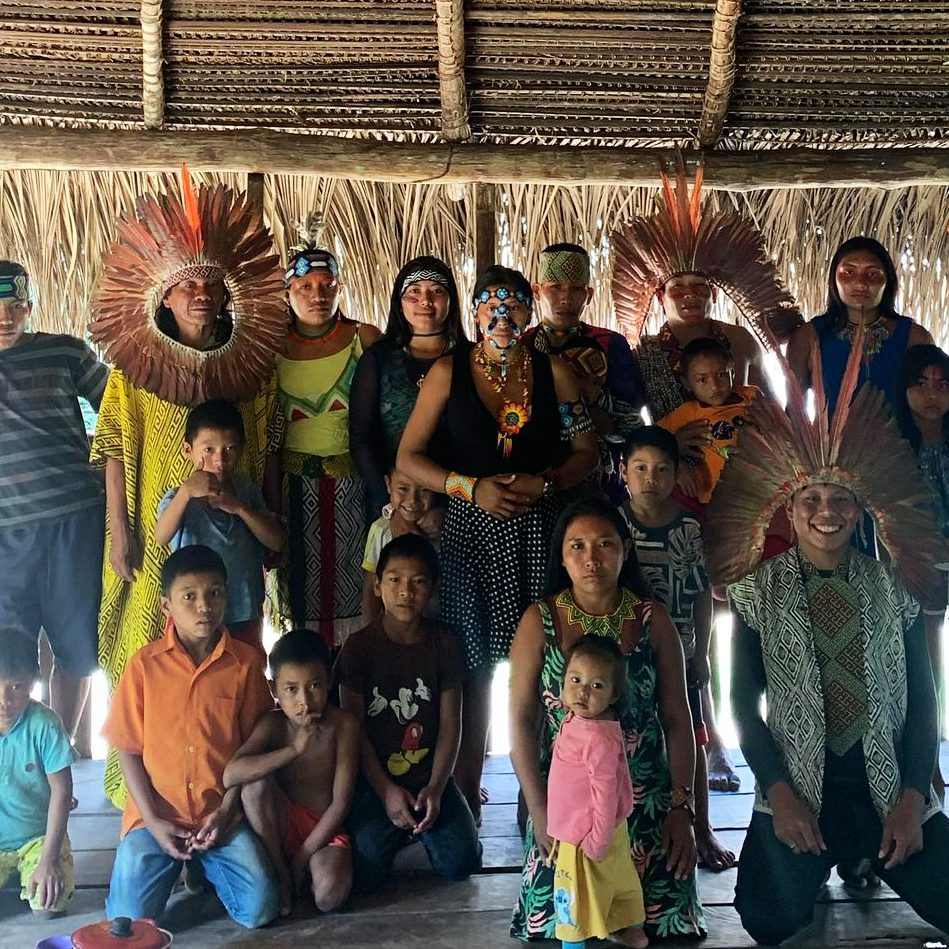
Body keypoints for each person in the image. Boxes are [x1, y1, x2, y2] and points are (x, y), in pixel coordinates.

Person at [705, 346, 949, 944]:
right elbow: (742, 706)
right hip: (801, 790)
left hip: (885, 788)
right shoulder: (757, 591)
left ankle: (865, 855)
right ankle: (833, 859)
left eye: (840, 499)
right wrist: (779, 794)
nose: (826, 511)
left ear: (860, 509)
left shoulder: (894, 585)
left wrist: (912, 797)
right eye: (811, 499)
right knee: (768, 918)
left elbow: (925, 702)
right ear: (789, 510)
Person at [89, 174, 285, 807]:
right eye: (186, 284)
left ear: (226, 294)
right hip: (161, 536)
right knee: (152, 650)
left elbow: (269, 446)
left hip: (234, 547)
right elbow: (113, 445)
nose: (200, 295)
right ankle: (147, 794)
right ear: (164, 296)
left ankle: (229, 789)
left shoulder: (254, 367)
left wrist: (266, 526)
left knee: (233, 660)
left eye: (209, 284)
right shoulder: (134, 370)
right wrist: (121, 533)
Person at [612, 162, 800, 795]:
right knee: (693, 626)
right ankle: (709, 738)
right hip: (685, 496)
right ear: (661, 293)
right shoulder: (646, 353)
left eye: (698, 285)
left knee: (754, 619)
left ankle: (774, 735)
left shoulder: (737, 342)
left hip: (749, 500)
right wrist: (672, 449)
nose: (688, 294)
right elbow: (639, 423)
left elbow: (770, 414)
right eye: (677, 286)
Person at [398, 264, 599, 823]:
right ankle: (465, 792)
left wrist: (548, 481)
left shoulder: (553, 372)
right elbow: (408, 457)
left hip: (538, 528)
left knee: (540, 661)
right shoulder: (448, 371)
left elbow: (588, 450)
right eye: (490, 305)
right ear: (474, 312)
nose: (502, 315)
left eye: (513, 304)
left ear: (529, 312)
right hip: (470, 532)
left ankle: (539, 795)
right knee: (473, 663)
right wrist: (469, 488)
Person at [510, 498, 705, 942]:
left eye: (604, 544)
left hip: (643, 804)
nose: (591, 558)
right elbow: (519, 720)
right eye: (577, 546)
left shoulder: (653, 620)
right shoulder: (539, 621)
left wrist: (682, 809)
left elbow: (678, 719)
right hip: (565, 807)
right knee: (555, 925)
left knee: (665, 925)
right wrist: (539, 810)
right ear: (561, 556)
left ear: (625, 550)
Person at [103, 545, 278, 929]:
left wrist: (228, 810)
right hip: (155, 820)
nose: (204, 607)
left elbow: (252, 751)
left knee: (259, 910)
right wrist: (153, 820)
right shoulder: (144, 666)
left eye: (214, 593)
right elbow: (127, 750)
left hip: (220, 817)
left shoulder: (245, 663)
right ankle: (179, 865)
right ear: (166, 605)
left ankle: (202, 868)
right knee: (127, 922)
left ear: (227, 596)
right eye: (189, 597)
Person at [0, 259, 108, 743]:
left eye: (15, 306)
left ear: (30, 307)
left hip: (75, 522)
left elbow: (120, 408)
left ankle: (58, 750)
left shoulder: (66, 352)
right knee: (9, 647)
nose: (5, 317)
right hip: (7, 532)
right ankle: (18, 757)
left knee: (77, 644)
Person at [617, 426, 735, 871]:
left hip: (681, 654)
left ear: (674, 474)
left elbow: (703, 593)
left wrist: (700, 652)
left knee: (692, 735)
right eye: (641, 468)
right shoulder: (615, 525)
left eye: (661, 469)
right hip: (630, 657)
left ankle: (701, 827)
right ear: (623, 471)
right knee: (628, 739)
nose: (650, 478)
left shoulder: (689, 527)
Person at [337, 534, 482, 893]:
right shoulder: (358, 648)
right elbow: (353, 731)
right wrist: (386, 790)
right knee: (366, 873)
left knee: (462, 863)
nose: (406, 591)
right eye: (395, 580)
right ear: (377, 585)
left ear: (432, 588)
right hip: (375, 783)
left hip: (430, 780)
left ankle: (424, 827)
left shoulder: (445, 644)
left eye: (418, 581)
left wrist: (437, 787)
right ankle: (400, 829)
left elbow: (450, 726)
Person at [266, 232, 381, 647]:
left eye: (327, 285)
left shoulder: (364, 340)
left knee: (361, 589)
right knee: (299, 595)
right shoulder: (269, 349)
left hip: (356, 490)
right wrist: (272, 509)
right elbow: (269, 442)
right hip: (293, 493)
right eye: (305, 287)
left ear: (339, 288)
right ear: (287, 293)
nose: (318, 295)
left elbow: (388, 422)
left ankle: (352, 677)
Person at [225, 630, 359, 916]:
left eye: (314, 686)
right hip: (278, 829)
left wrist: (300, 859)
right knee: (253, 786)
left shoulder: (343, 725)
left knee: (329, 895)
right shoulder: (273, 724)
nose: (304, 701)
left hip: (323, 828)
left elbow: (341, 803)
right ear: (274, 690)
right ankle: (278, 871)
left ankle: (301, 873)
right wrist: (294, 749)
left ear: (329, 681)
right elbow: (231, 775)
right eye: (291, 689)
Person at [156, 399, 285, 659]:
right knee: (190, 672)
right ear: (188, 450)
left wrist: (238, 508)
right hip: (192, 616)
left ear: (242, 449)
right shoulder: (178, 497)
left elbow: (277, 541)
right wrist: (186, 493)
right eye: (208, 449)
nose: (220, 460)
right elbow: (161, 536)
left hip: (243, 609)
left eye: (229, 449)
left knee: (246, 670)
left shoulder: (246, 491)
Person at [547, 635, 648, 949]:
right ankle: (629, 929)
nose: (582, 692)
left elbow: (605, 793)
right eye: (575, 680)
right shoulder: (580, 720)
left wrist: (597, 840)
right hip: (591, 827)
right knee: (616, 879)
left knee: (573, 894)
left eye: (597, 686)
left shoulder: (597, 738)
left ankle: (573, 943)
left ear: (614, 694)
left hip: (586, 833)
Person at [350, 255, 467, 517]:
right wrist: (392, 506)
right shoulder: (378, 359)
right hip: (393, 504)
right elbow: (361, 438)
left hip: (462, 506)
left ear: (451, 300)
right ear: (399, 301)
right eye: (414, 291)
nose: (425, 301)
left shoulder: (471, 359)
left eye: (437, 291)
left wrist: (453, 507)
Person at [524, 242, 643, 499]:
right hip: (534, 477)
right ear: (537, 291)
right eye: (555, 287)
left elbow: (627, 417)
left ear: (588, 295)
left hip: (603, 480)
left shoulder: (610, 344)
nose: (566, 298)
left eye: (576, 289)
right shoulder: (522, 346)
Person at [787, 236, 933, 416]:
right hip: (829, 436)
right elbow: (792, 416)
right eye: (849, 272)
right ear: (834, 278)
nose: (860, 283)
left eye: (872, 274)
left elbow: (934, 409)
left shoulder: (915, 337)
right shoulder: (808, 337)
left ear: (888, 281)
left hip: (899, 436)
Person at [894, 343, 949, 800]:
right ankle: (926, 762)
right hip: (917, 564)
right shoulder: (891, 444)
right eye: (921, 384)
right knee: (927, 667)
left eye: (942, 384)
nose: (933, 394)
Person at [0, 633, 76, 918]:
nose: (4, 700)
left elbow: (62, 792)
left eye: (16, 686)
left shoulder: (45, 725)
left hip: (38, 838)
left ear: (33, 682)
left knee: (49, 904)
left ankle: (32, 871)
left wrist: (49, 859)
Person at [658, 338, 759, 504]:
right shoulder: (688, 413)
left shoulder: (753, 396)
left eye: (721, 375)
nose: (714, 386)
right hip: (720, 500)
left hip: (763, 489)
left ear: (732, 370)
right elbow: (651, 443)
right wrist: (677, 464)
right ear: (687, 383)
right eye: (703, 380)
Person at [361, 464, 441, 623]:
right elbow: (371, 587)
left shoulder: (445, 527)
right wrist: (371, 631)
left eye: (425, 489)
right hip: (394, 628)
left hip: (438, 627)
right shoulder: (381, 530)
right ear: (388, 484)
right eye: (403, 488)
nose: (413, 501)